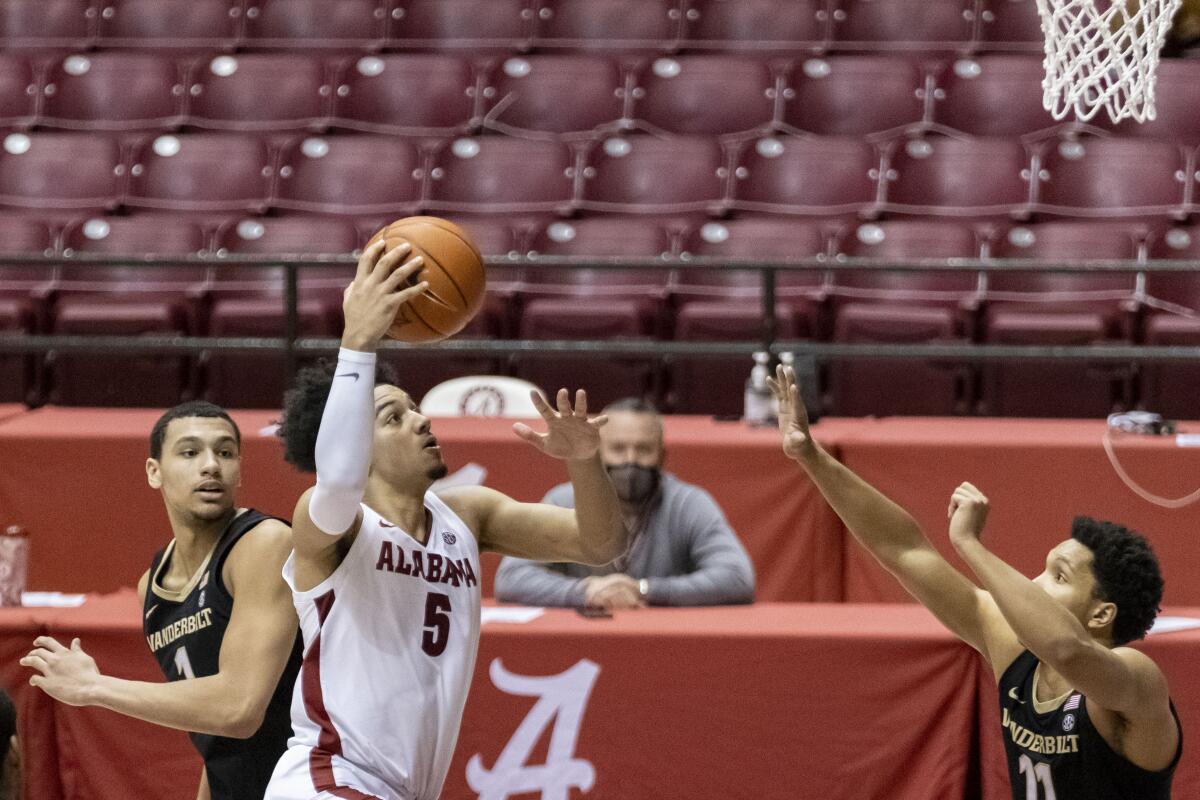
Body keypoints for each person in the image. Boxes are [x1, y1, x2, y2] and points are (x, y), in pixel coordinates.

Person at [265, 239, 629, 800]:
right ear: (356, 440)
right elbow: (337, 478)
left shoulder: (467, 514)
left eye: (415, 408)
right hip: (330, 780)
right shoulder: (334, 525)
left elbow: (598, 544)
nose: (419, 421)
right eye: (392, 416)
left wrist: (584, 461)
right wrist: (357, 339)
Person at [768, 365, 1181, 800]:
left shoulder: (1136, 678)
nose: (1034, 583)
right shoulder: (1014, 648)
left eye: (1057, 576)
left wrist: (971, 545)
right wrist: (811, 457)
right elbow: (905, 551)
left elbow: (1069, 650)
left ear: (1101, 612)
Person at [21, 401, 302, 800]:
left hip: (306, 785)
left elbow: (238, 709)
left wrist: (96, 687)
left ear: (240, 469)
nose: (211, 466)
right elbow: (217, 740)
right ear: (155, 472)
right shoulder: (151, 588)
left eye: (225, 453)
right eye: (190, 452)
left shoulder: (263, 543)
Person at [494, 397, 755, 609]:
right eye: (618, 449)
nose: (630, 461)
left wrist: (645, 590)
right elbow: (511, 577)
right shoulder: (563, 500)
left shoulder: (688, 502)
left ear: (662, 455)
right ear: (597, 452)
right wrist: (585, 591)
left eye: (643, 450)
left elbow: (736, 577)